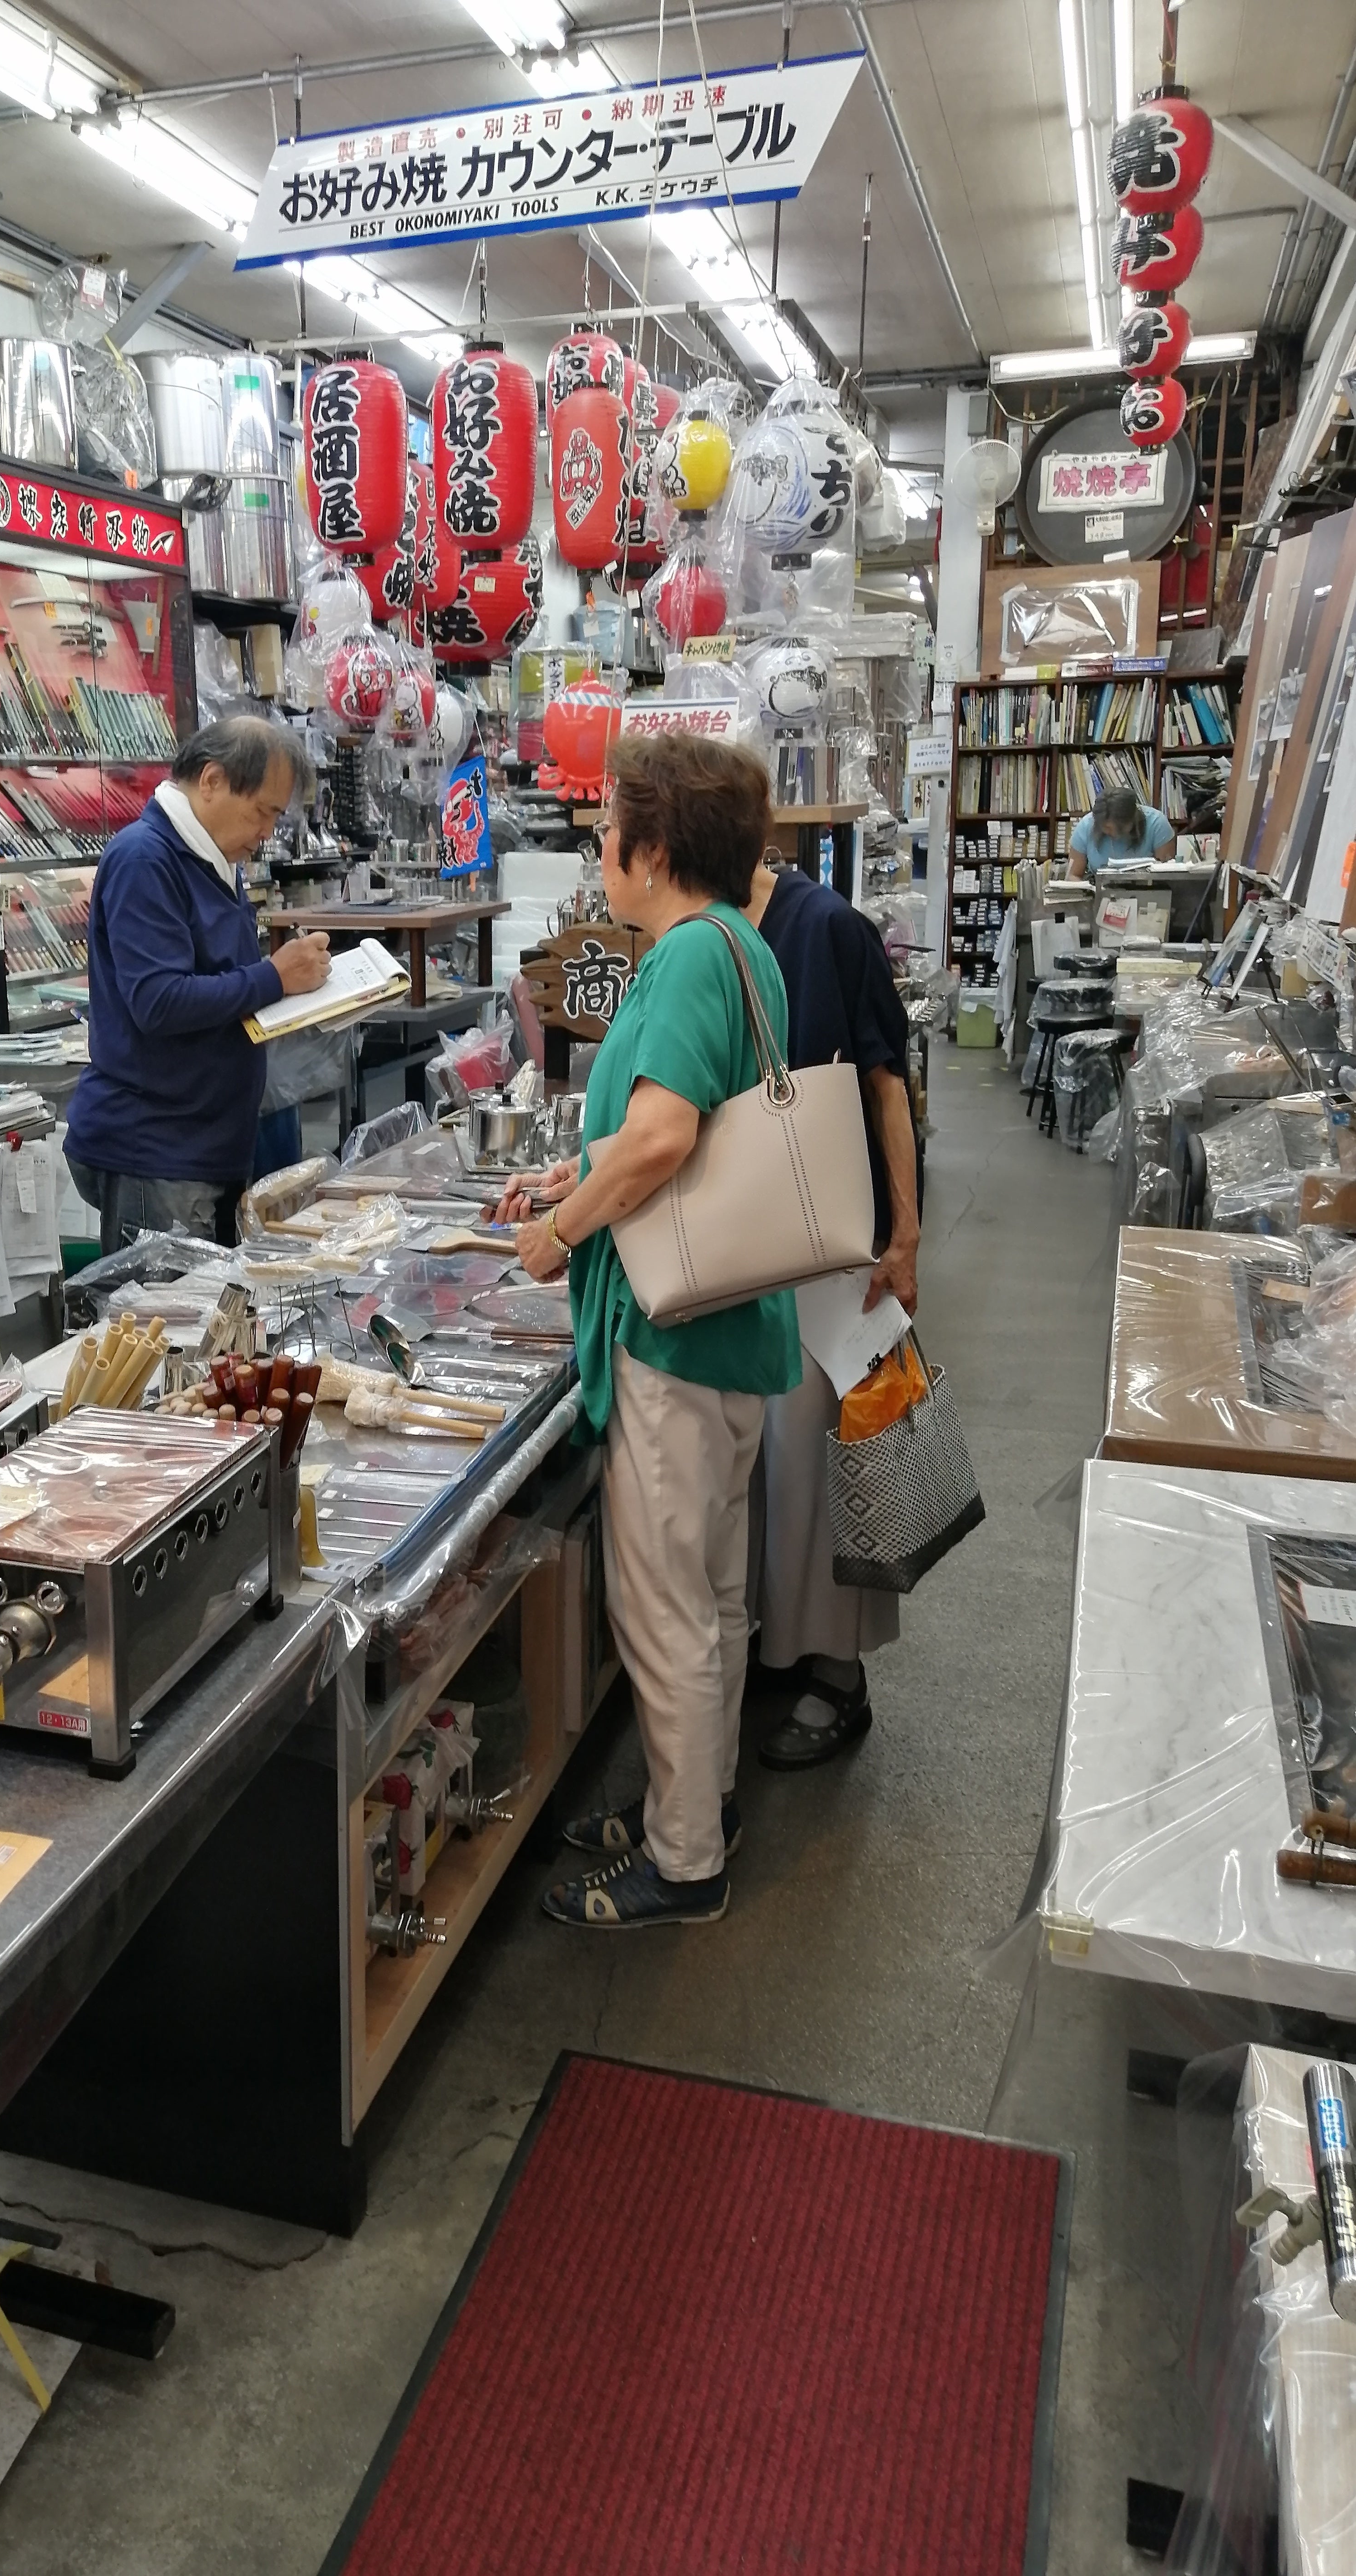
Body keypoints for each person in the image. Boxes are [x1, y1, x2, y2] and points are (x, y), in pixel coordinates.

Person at [496, 734, 803, 1928]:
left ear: (655, 847)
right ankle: (700, 1806)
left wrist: (562, 1228)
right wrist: (576, 1171)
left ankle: (683, 1866)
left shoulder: (680, 958)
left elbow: (668, 1136)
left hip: (673, 1335)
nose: (599, 851)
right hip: (734, 1323)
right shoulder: (742, 944)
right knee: (713, 1597)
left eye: (605, 831)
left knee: (663, 1609)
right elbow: (681, 1130)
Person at [744, 854, 920, 1768]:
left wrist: (907, 1234)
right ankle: (781, 1643)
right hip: (747, 1247)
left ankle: (840, 1674)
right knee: (766, 1465)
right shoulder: (702, 934)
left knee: (835, 1458)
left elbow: (887, 1082)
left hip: (838, 1246)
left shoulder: (828, 929)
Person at [66, 715, 329, 1253]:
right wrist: (274, 977)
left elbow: (216, 985)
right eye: (263, 812)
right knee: (167, 1308)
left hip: (206, 1146)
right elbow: (159, 1000)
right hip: (158, 1150)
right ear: (212, 781)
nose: (266, 833)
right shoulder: (145, 859)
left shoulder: (214, 860)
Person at [1067, 784, 1173, 879]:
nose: (1114, 833)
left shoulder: (1157, 824)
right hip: (1099, 890)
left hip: (1148, 890)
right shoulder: (1087, 825)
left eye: (1120, 828)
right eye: (1107, 828)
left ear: (1133, 818)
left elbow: (1167, 876)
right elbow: (1073, 875)